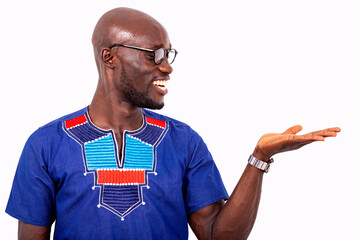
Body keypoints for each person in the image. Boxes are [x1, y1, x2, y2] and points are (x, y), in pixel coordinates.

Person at [6, 7, 340, 240]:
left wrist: (260, 158)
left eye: (169, 54)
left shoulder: (183, 141)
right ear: (110, 57)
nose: (167, 67)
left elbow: (217, 235)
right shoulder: (46, 144)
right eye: (155, 54)